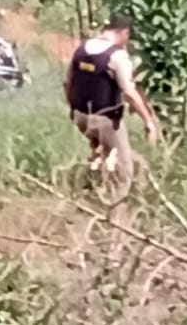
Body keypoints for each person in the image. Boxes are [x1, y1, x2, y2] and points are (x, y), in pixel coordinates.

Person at [64, 13, 158, 193]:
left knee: (103, 154)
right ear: (125, 32)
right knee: (124, 169)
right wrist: (148, 121)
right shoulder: (117, 56)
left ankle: (88, 190)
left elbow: (68, 82)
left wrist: (73, 109)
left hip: (80, 116)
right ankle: (116, 210)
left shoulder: (82, 48)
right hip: (106, 120)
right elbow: (129, 92)